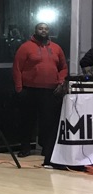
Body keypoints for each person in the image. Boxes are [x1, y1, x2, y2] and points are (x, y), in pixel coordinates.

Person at [12, 22, 68, 165]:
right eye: (40, 28)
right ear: (35, 30)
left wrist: (61, 81)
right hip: (30, 90)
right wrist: (19, 88)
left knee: (48, 122)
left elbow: (63, 67)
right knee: (27, 120)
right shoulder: (25, 47)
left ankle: (46, 149)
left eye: (46, 29)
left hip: (50, 91)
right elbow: (17, 68)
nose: (43, 31)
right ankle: (25, 148)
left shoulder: (56, 48)